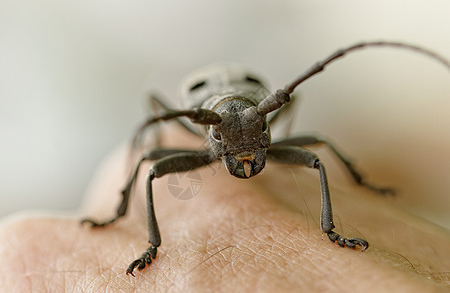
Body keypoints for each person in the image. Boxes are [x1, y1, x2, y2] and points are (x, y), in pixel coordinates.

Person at [0, 126, 448, 292]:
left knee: (317, 153)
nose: (246, 159)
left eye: (256, 144)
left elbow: (317, 150)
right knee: (150, 166)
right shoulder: (195, 134)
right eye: (232, 147)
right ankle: (144, 236)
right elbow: (147, 162)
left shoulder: (264, 136)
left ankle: (333, 226)